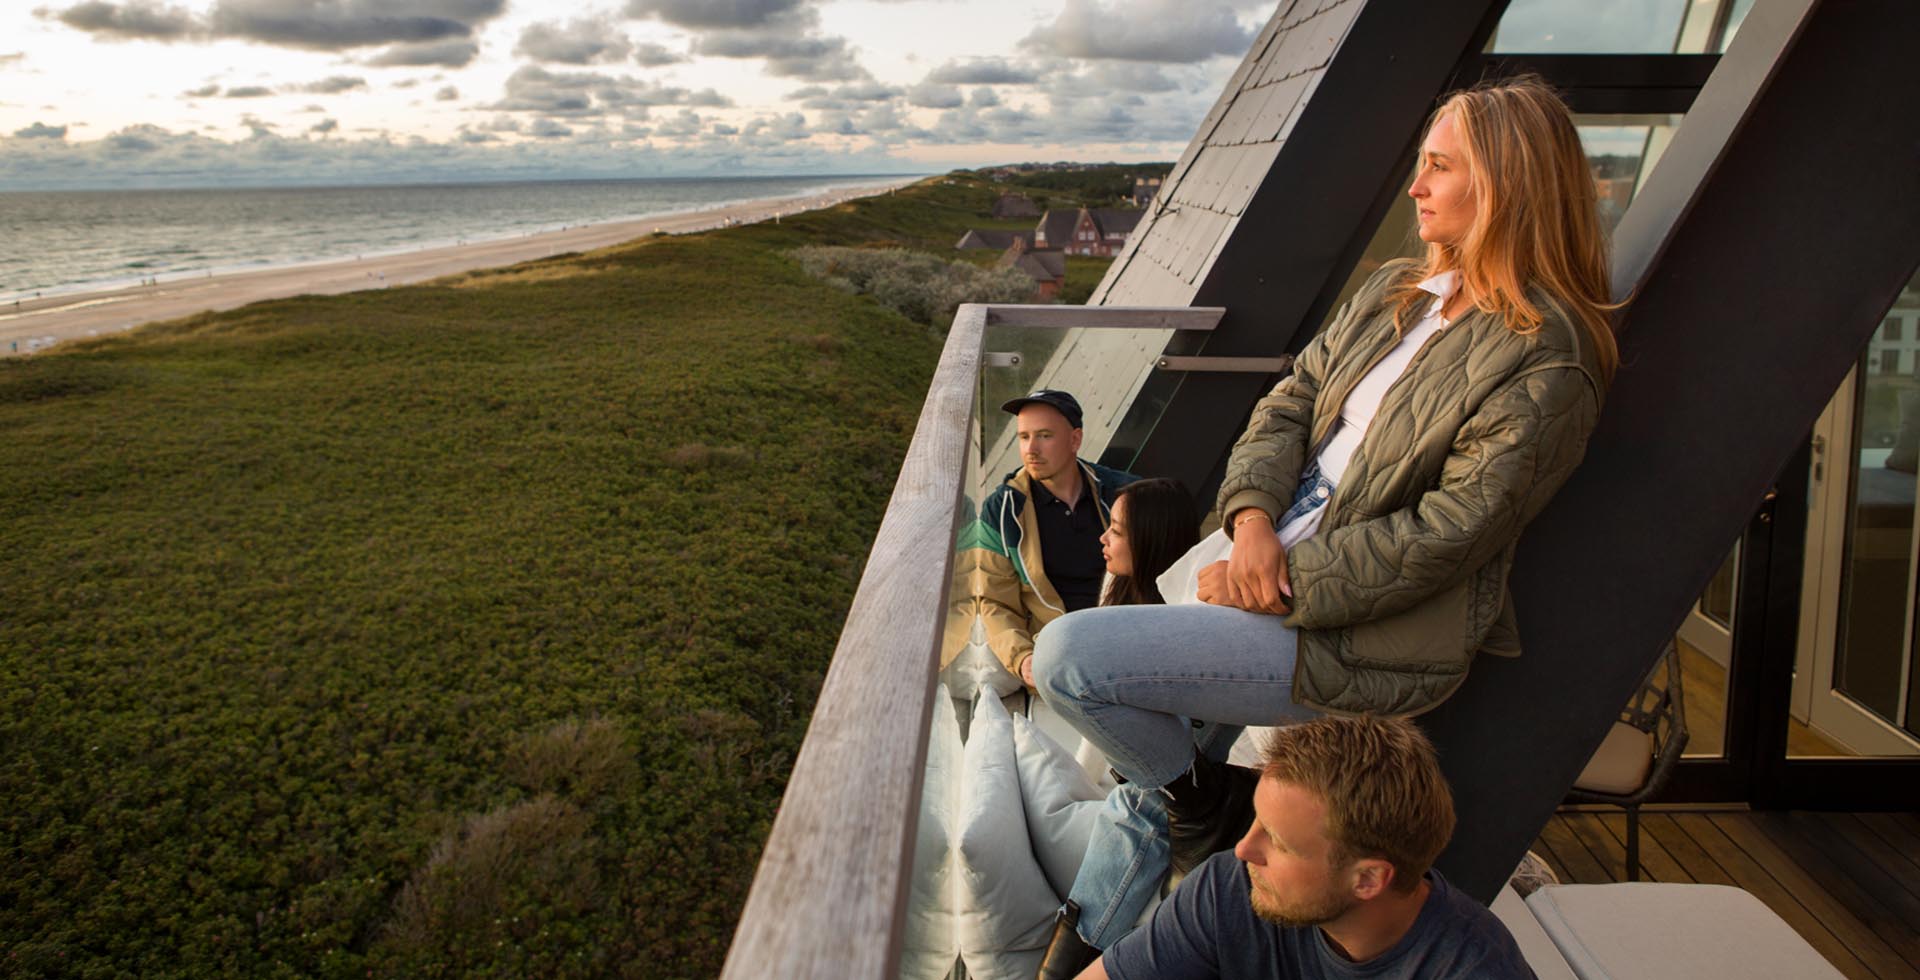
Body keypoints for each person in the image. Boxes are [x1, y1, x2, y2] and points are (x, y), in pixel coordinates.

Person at [1030, 75, 1619, 975]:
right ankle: (1137, 892)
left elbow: (1448, 532)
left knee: (1072, 659)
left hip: (1352, 632)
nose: (1415, 186)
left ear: (1506, 184)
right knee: (1155, 783)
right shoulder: (1398, 290)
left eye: (1439, 166)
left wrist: (1277, 581)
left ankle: (1187, 817)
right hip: (1260, 560)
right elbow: (1290, 402)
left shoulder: (1549, 357)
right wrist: (1251, 522)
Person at [1077, 716, 1536, 980]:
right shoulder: (1230, 889)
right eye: (1257, 822)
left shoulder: (1474, 969)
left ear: (1368, 879)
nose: (1244, 849)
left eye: (1278, 842)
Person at [968, 389, 1138, 688]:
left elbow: (1159, 572)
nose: (1031, 449)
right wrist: (1023, 658)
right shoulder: (1004, 509)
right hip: (1056, 650)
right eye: (1023, 437)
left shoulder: (1123, 494)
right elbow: (994, 601)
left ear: (1075, 440)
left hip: (1124, 642)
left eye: (1044, 436)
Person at [1100, 478, 1201, 607]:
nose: (1103, 538)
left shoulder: (1192, 603)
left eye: (1116, 531)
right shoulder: (1116, 581)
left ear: (1150, 541)